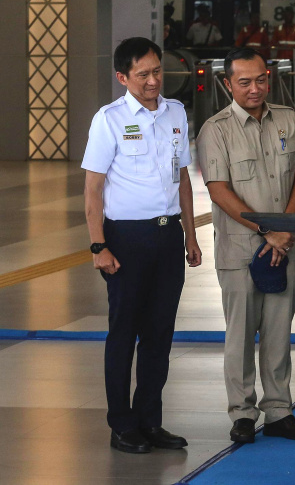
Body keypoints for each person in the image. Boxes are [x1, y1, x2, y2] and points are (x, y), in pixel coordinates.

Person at [81, 37, 202, 454]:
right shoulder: (108, 120)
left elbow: (182, 178)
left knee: (159, 334)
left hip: (168, 237)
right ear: (122, 77)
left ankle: (151, 420)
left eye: (157, 71)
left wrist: (190, 233)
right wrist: (99, 247)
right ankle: (122, 425)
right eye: (143, 74)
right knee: (124, 332)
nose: (153, 81)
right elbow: (93, 190)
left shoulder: (176, 113)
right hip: (126, 239)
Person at [196, 47, 295, 444]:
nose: (254, 88)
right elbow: (218, 191)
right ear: (228, 84)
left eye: (261, 79)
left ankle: (279, 411)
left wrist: (285, 229)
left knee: (280, 333)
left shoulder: (287, 119)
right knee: (240, 335)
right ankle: (243, 414)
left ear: (270, 77)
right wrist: (268, 231)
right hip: (240, 249)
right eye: (244, 82)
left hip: (285, 245)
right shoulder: (216, 129)